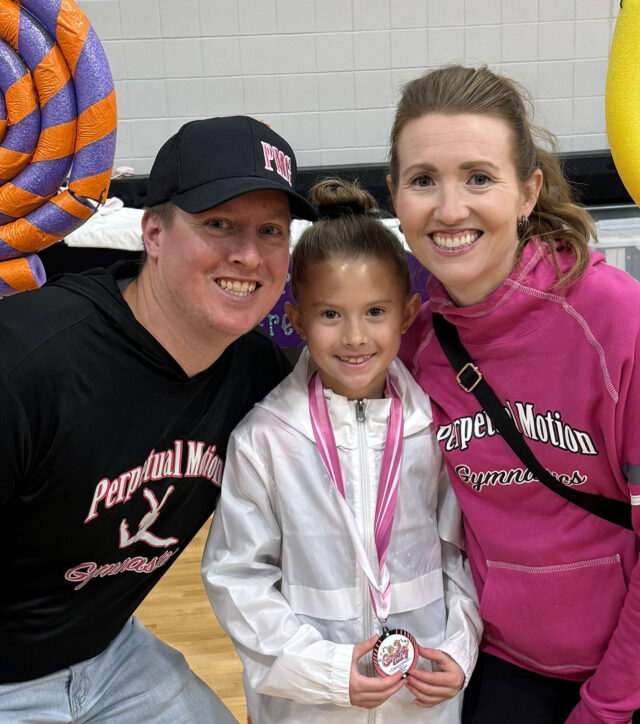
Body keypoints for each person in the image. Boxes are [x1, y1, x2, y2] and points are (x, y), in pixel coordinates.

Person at [0, 115, 317, 723]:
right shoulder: (9, 371)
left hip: (108, 657)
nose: (248, 254)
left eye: (270, 231)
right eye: (218, 224)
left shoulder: (257, 375)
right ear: (153, 232)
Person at [387, 65, 640, 724]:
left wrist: (603, 712)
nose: (449, 208)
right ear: (395, 196)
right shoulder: (416, 341)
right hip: (516, 658)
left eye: (478, 177)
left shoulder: (621, 325)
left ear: (528, 192)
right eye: (422, 181)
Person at [201, 178, 482, 723]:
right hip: (309, 704)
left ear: (407, 313)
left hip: (420, 700)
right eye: (330, 315)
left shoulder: (437, 428)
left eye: (375, 312)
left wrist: (460, 649)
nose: (354, 336)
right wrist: (324, 671)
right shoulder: (266, 439)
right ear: (299, 320)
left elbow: (463, 557)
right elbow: (238, 578)